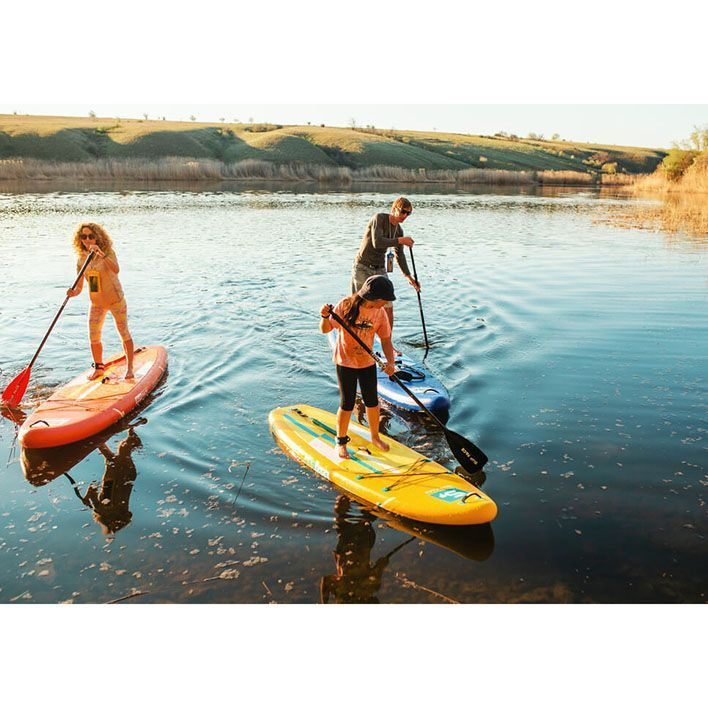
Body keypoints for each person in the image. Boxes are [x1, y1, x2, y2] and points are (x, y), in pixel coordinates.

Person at [320, 275, 397, 460]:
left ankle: (375, 437)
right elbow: (325, 329)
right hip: (345, 362)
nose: (388, 303)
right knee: (347, 403)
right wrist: (324, 316)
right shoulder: (346, 305)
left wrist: (390, 362)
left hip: (367, 362)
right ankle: (340, 441)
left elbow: (386, 340)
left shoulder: (380, 313)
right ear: (375, 298)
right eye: (386, 299)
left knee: (372, 401)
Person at [66, 223, 134, 380]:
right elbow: (79, 287)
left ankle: (129, 368)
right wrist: (72, 292)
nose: (87, 239)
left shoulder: (108, 252)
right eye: (84, 236)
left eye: (91, 236)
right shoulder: (81, 259)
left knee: (123, 332)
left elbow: (116, 269)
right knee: (93, 336)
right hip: (97, 302)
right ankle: (98, 368)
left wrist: (100, 253)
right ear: (79, 239)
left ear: (97, 237)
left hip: (115, 300)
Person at [351, 197, 420, 351]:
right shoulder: (379, 219)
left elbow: (399, 256)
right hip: (362, 266)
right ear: (394, 208)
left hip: (380, 268)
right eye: (403, 212)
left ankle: (387, 344)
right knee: (360, 305)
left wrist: (409, 277)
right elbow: (377, 242)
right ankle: (356, 340)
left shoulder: (398, 230)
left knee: (388, 305)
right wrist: (400, 240)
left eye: (409, 214)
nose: (405, 216)